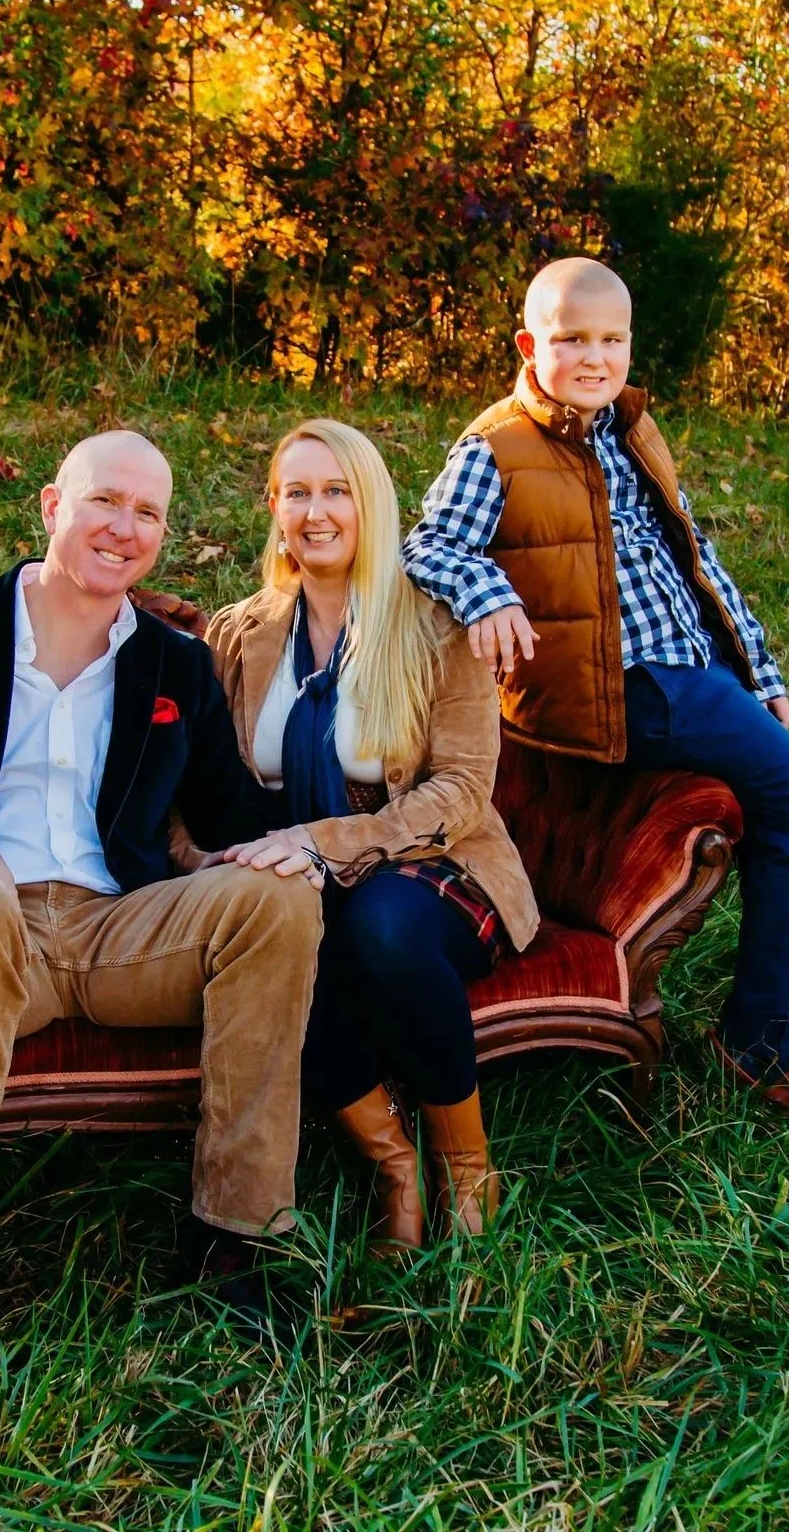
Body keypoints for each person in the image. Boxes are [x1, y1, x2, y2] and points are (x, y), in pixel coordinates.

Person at [0, 430, 324, 1331]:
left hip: (110, 931)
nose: (123, 528)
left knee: (276, 898)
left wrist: (315, 834)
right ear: (53, 506)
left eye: (147, 513)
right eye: (104, 501)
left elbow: (231, 817)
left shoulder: (175, 664)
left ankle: (233, 1236)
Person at [404, 257, 789, 1119]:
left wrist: (759, 674)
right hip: (627, 686)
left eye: (611, 340)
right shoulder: (497, 445)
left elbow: (696, 564)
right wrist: (490, 593)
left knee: (788, 811)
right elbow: (428, 545)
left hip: (694, 674)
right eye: (571, 340)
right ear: (530, 345)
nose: (594, 357)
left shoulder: (633, 432)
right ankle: (761, 1040)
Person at [195, 419, 539, 1250]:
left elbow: (460, 787)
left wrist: (326, 846)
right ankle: (391, 1167)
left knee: (375, 926)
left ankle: (467, 1172)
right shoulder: (239, 634)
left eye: (337, 490)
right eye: (298, 493)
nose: (318, 512)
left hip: (435, 867)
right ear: (275, 509)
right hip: (297, 876)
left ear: (371, 503)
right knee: (281, 950)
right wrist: (206, 860)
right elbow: (198, 780)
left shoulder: (433, 622)